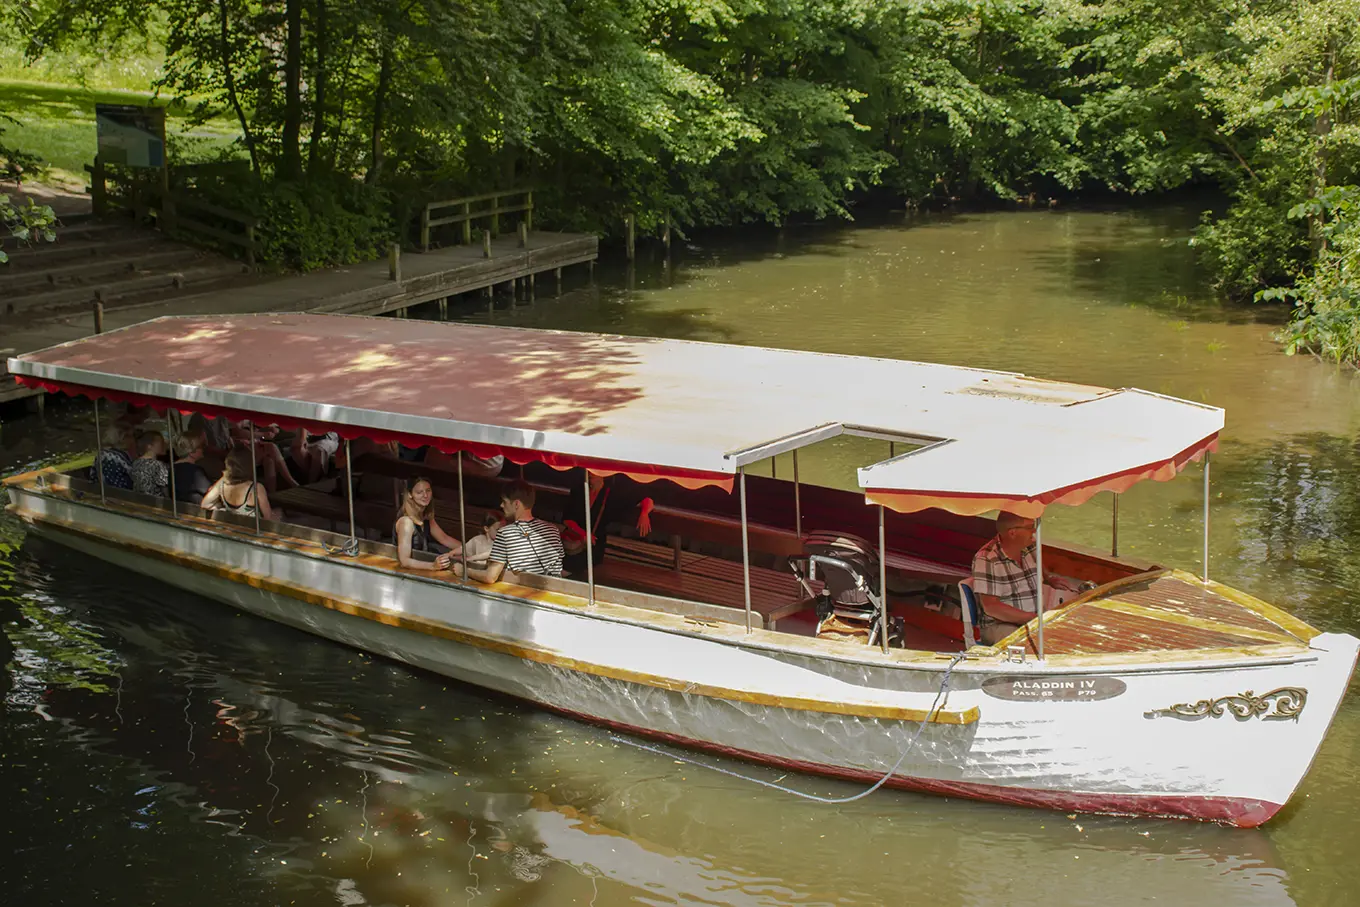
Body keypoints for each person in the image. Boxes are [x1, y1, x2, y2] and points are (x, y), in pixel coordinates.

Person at [970, 512, 1083, 644]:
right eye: (1030, 527)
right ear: (1013, 533)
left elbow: (1040, 567)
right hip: (1000, 625)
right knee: (1031, 644)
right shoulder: (986, 559)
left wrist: (1049, 578)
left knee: (1069, 635)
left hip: (1035, 617)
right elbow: (991, 607)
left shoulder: (1028, 546)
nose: (1034, 530)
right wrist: (1032, 619)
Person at [460, 482, 563, 582]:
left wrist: (464, 571)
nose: (501, 505)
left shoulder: (505, 533)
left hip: (521, 593)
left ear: (516, 504)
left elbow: (490, 577)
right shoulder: (553, 530)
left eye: (504, 502)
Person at [561, 470, 655, 576]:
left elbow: (647, 499)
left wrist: (644, 513)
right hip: (572, 539)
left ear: (604, 475)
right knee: (556, 559)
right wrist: (582, 533)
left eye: (595, 472)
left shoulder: (611, 494)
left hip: (594, 543)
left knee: (569, 567)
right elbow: (567, 519)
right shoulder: (579, 489)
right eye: (589, 471)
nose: (591, 474)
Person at [393, 476, 463, 571]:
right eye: (419, 492)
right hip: (408, 574)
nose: (425, 495)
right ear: (410, 494)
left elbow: (444, 539)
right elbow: (404, 561)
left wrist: (469, 549)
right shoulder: (406, 522)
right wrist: (432, 566)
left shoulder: (426, 517)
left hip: (422, 569)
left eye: (428, 490)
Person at [202, 447, 275, 520]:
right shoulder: (256, 487)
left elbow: (205, 504)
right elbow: (268, 517)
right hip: (251, 528)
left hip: (231, 525)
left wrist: (221, 509)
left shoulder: (223, 482)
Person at [172, 428, 213, 506]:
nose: (204, 449)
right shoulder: (195, 472)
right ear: (191, 452)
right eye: (201, 446)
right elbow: (211, 492)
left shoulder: (172, 468)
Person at [89, 424, 135, 490]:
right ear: (122, 438)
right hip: (119, 494)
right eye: (130, 436)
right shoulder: (117, 456)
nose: (132, 440)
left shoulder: (102, 454)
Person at [130, 430, 170, 496]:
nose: (164, 444)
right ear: (149, 446)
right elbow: (165, 488)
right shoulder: (157, 465)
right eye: (161, 442)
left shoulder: (135, 463)